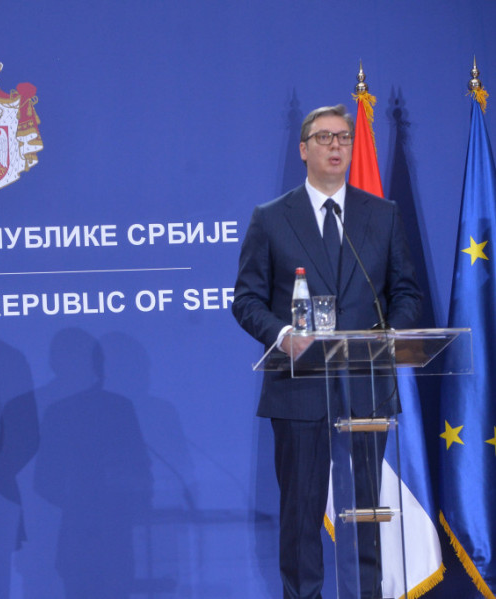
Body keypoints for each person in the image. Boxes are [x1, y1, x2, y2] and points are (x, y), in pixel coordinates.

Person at [232, 105, 422, 599]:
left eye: (343, 137)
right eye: (324, 138)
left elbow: (406, 292)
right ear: (303, 149)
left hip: (366, 390)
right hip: (299, 390)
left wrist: (390, 334)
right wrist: (281, 334)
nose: (336, 146)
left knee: (365, 512)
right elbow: (246, 300)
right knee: (301, 515)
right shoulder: (271, 219)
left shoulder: (382, 215)